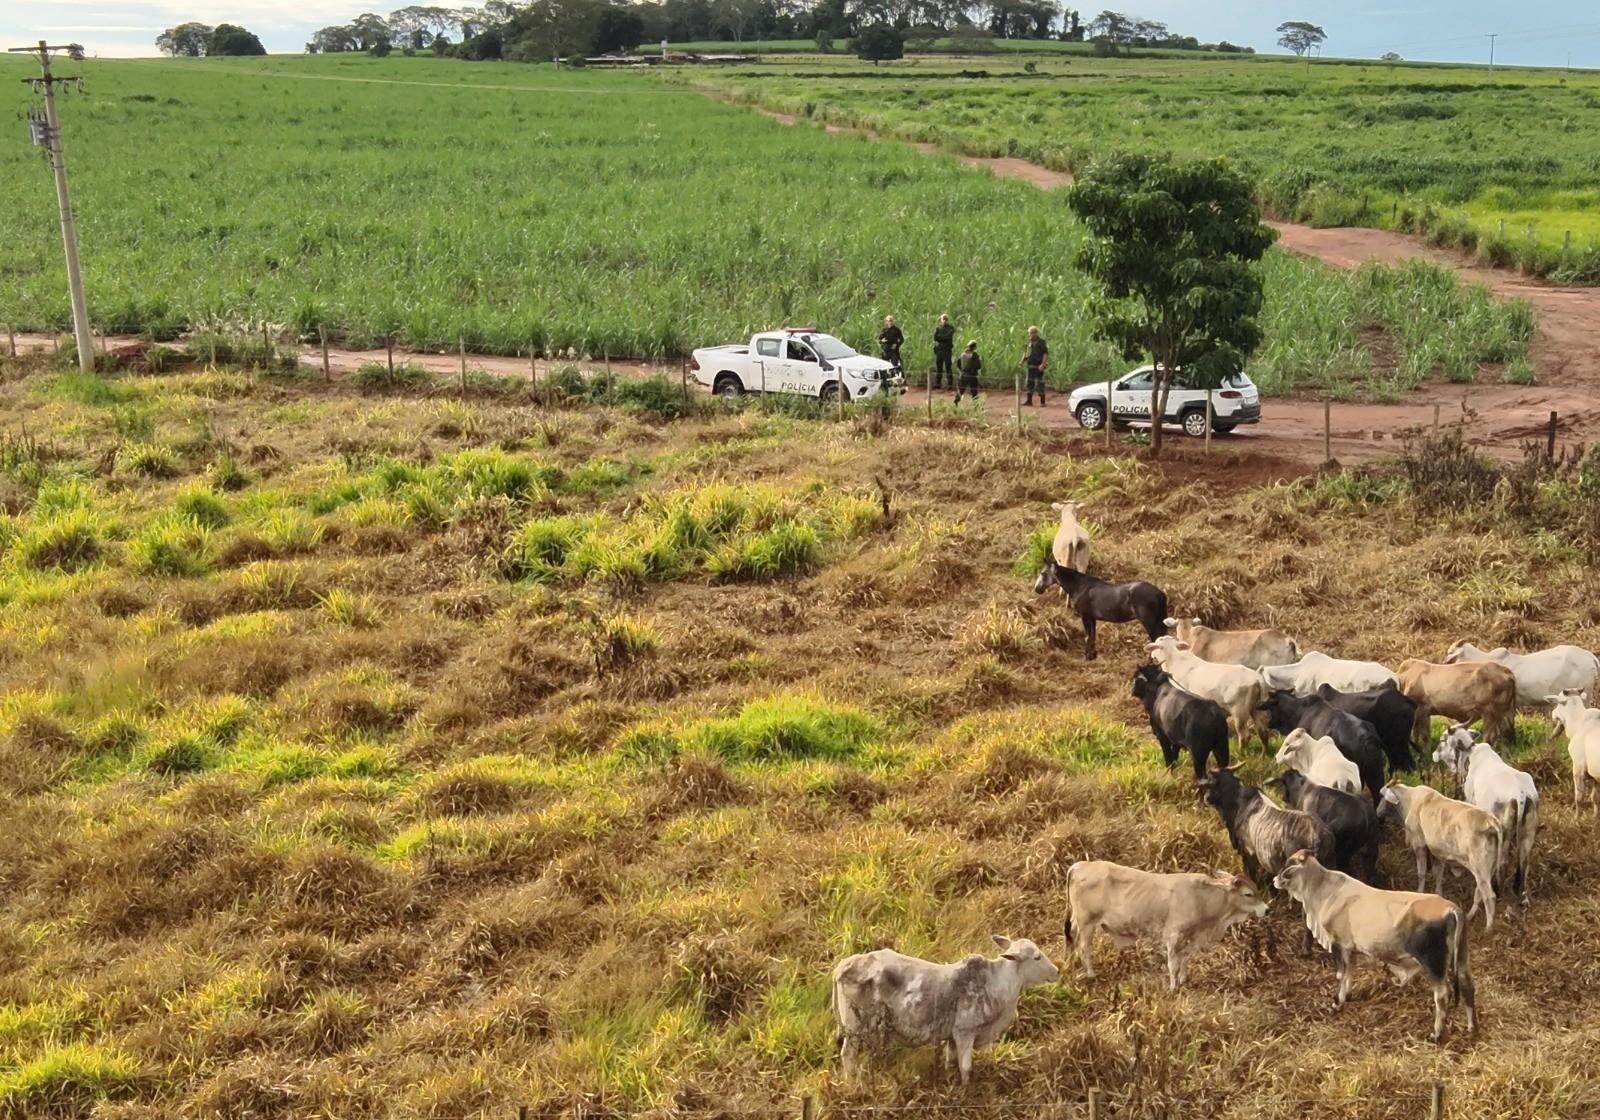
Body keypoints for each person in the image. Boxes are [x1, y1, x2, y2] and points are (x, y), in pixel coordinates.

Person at [1022, 325, 1048, 406]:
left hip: (1038, 365)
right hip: (1030, 365)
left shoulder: (1041, 342)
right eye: (1029, 333)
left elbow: (1045, 354)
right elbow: (1025, 353)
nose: (1030, 335)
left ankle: (1042, 402)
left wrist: (1043, 364)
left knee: (1040, 383)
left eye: (1031, 333)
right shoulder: (1028, 343)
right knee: (1029, 383)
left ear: (1036, 333)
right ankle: (1029, 401)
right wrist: (1022, 361)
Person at [932, 314, 956, 389]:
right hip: (939, 350)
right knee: (939, 367)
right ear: (941, 320)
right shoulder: (938, 328)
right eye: (943, 319)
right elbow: (935, 338)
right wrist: (940, 337)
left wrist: (940, 337)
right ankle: (938, 383)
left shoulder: (951, 328)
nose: (944, 321)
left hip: (947, 350)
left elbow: (947, 337)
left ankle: (950, 384)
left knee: (948, 367)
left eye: (946, 319)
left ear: (947, 320)